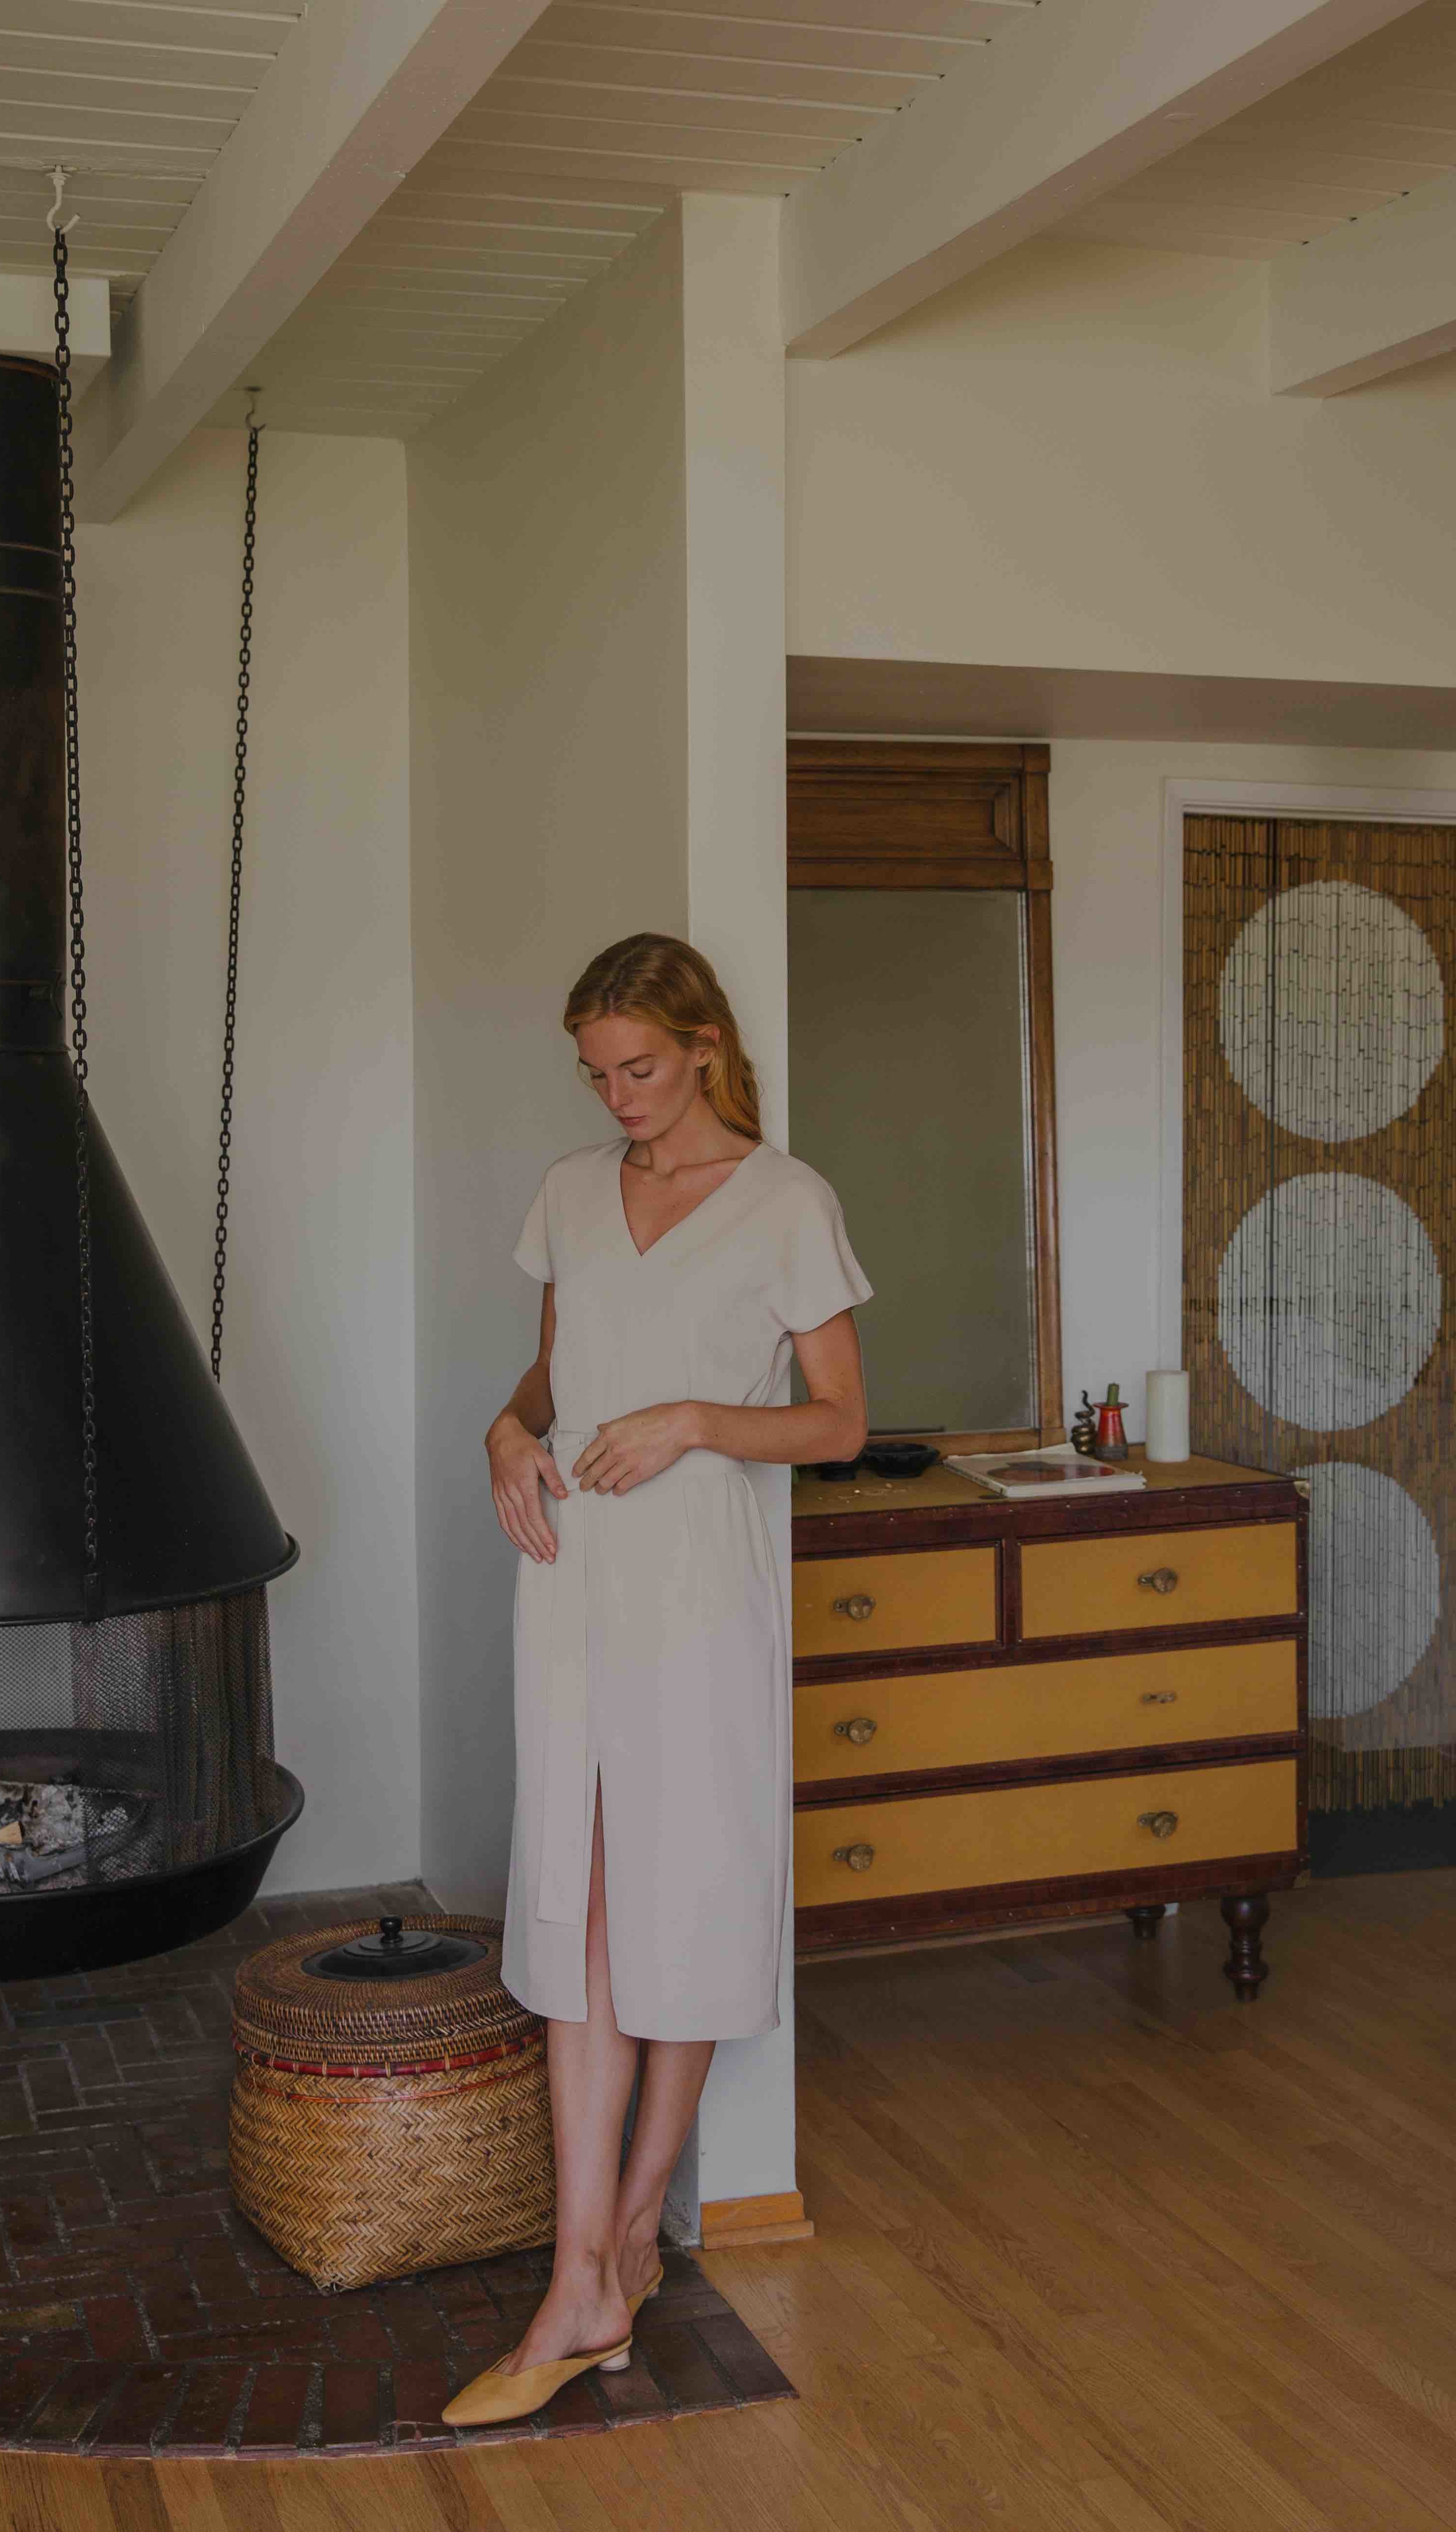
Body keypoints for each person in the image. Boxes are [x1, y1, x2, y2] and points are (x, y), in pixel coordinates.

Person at [444, 932, 871, 2428]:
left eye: (639, 1067)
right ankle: (588, 2267)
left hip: (699, 1593)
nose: (619, 1096)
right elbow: (549, 1381)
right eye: (597, 1074)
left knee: (675, 1899)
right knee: (581, 1908)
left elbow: (838, 1421)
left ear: (702, 1047)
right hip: (571, 1581)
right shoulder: (572, 1194)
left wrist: (695, 1417)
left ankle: (621, 2241)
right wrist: (505, 1434)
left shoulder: (787, 1202)